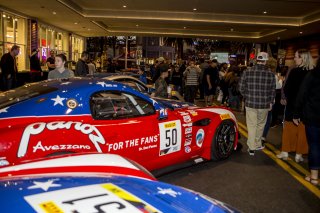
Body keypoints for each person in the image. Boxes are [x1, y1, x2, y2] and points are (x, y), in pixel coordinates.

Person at [277, 49, 315, 162]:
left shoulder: (294, 71)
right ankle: (299, 154)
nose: (294, 58)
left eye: (296, 56)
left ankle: (285, 152)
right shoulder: (313, 73)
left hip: (293, 105)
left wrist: (285, 97)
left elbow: (287, 88)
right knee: (303, 131)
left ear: (302, 58)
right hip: (307, 107)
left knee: (289, 129)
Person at [239, 52, 276, 156]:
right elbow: (272, 90)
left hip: (250, 103)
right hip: (264, 104)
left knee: (251, 125)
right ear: (266, 60)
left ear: (256, 60)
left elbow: (240, 87)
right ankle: (257, 144)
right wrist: (270, 102)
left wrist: (247, 96)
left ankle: (251, 148)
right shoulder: (271, 73)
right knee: (261, 125)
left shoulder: (247, 71)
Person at [293, 57, 320, 185]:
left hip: (313, 115)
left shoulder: (313, 75)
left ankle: (314, 176)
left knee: (314, 145)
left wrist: (296, 113)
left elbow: (302, 94)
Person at [261, 57, 283, 143]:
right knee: (267, 120)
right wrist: (280, 80)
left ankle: (256, 137)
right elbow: (278, 86)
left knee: (260, 120)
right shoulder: (273, 75)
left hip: (259, 100)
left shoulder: (261, 73)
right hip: (269, 101)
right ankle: (262, 137)